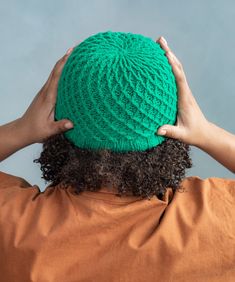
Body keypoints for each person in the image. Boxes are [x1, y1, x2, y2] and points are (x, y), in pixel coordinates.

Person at [0, 32, 234, 282]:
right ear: (175, 130)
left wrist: (21, 129)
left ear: (56, 126)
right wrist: (206, 132)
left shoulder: (13, 225)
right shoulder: (216, 223)